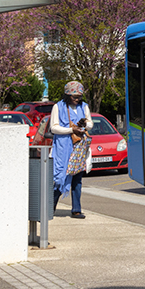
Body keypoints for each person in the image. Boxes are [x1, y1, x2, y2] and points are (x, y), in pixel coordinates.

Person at [51, 82, 92, 219]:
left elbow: (90, 124)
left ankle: (76, 209)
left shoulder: (84, 106)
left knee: (77, 178)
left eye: (79, 96)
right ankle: (50, 208)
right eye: (74, 96)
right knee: (59, 177)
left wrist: (85, 124)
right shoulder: (57, 107)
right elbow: (54, 128)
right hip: (63, 147)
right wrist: (70, 130)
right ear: (67, 95)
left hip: (79, 146)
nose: (77, 99)